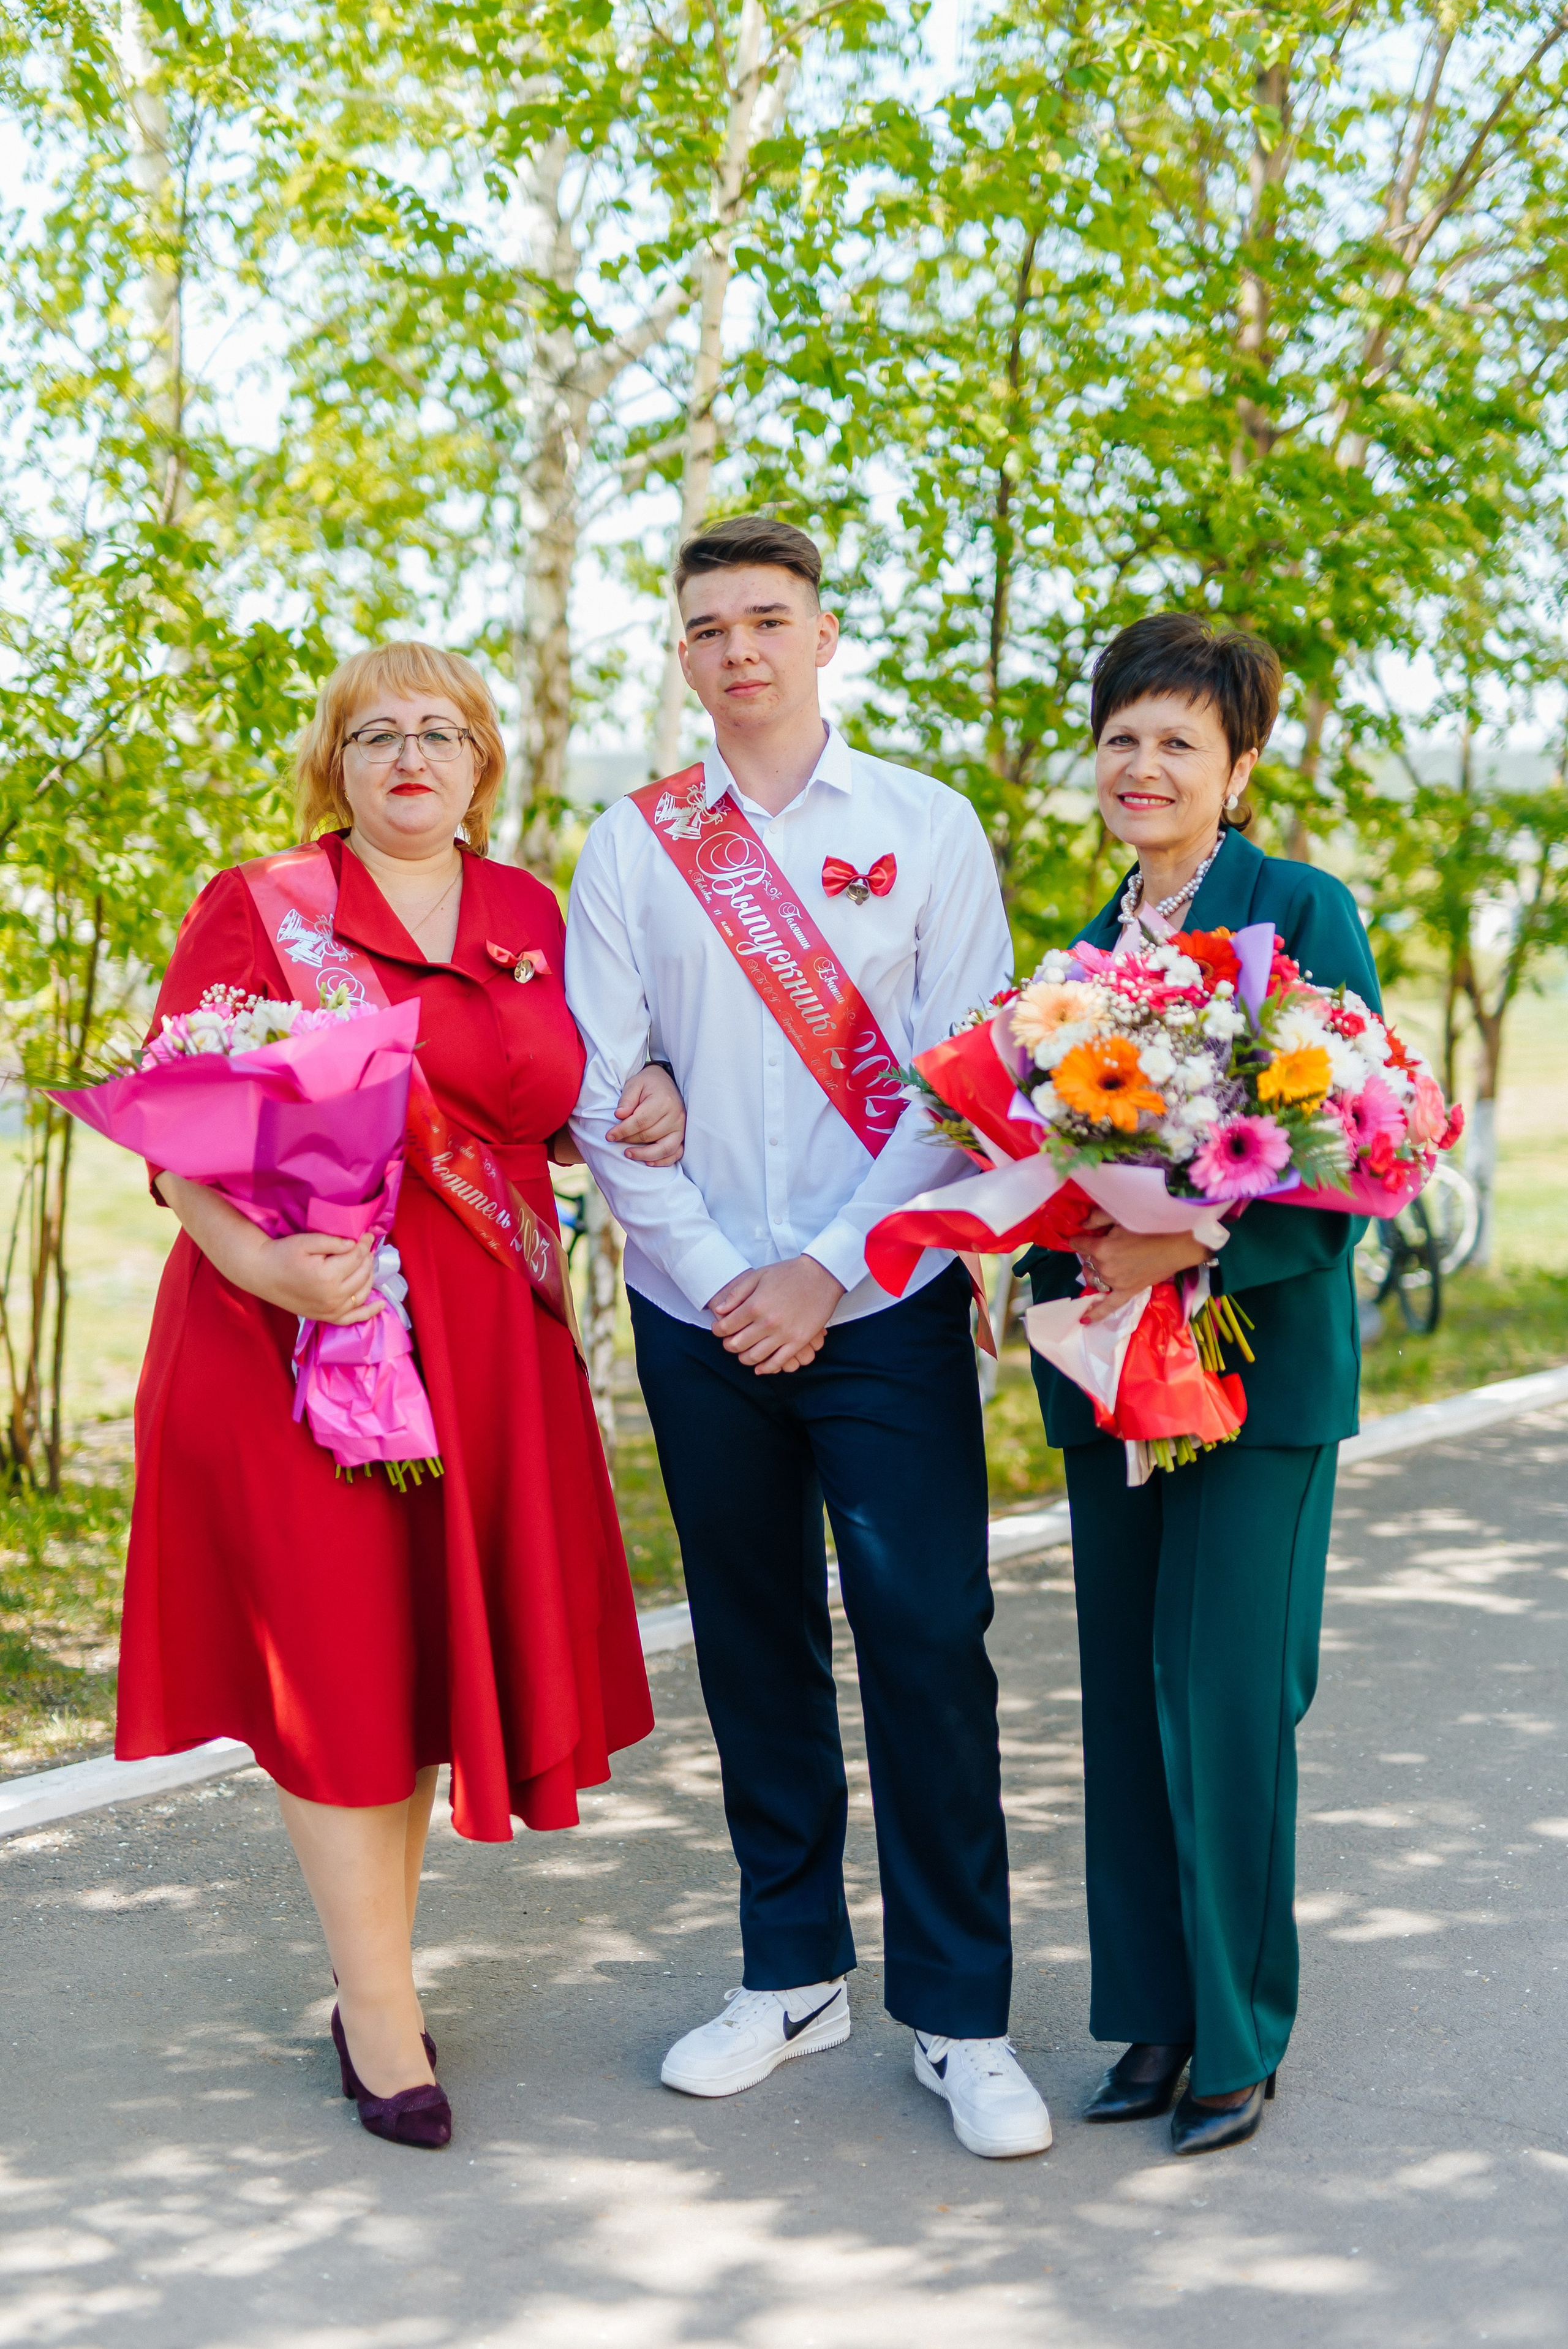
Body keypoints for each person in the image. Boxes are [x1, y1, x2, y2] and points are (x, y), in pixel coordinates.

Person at [120, 641, 679, 2149]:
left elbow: (574, 1096)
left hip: (487, 1342)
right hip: (295, 1336)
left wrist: (648, 1094)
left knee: (415, 1658)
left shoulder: (531, 914)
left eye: (440, 732)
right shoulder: (262, 906)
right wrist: (270, 1266)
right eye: (375, 735)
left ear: (483, 762)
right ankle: (377, 2010)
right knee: (337, 1659)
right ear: (335, 765)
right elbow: (177, 1132)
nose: (410, 756)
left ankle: (377, 1977)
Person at [564, 515, 1052, 2161]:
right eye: (709, 628)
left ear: (824, 634)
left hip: (884, 1302)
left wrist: (826, 1272)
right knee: (751, 1638)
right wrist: (727, 1279)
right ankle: (791, 1972)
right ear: (683, 655)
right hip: (699, 1308)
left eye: (767, 619)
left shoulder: (925, 824)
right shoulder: (634, 843)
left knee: (926, 1636)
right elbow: (602, 1088)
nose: (740, 651)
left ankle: (961, 2013)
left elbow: (964, 1078)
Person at [1021, 612, 1379, 2155]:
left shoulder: (1297, 911)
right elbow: (1043, 1149)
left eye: (1178, 740)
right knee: (1123, 1697)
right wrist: (1046, 1249)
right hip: (1110, 1369)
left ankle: (1237, 2034)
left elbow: (1361, 1145)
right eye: (1120, 738)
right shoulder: (1078, 957)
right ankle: (1154, 2017)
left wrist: (1193, 1247)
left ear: (1237, 768)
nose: (1142, 766)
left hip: (1256, 1371)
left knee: (1223, 1697)